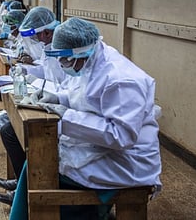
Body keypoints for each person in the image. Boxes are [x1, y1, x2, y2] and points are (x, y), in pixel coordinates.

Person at [12, 17, 162, 219]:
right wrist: (58, 97)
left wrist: (67, 117)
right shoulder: (90, 62)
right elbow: (79, 95)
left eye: (64, 58)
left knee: (47, 170)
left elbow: (121, 135)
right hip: (103, 150)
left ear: (81, 51)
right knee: (36, 163)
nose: (61, 63)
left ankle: (79, 212)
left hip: (125, 161)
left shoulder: (121, 79)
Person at [0, 7, 63, 206]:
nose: (38, 41)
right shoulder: (52, 44)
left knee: (22, 131)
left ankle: (27, 189)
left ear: (46, 32)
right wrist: (27, 70)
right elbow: (46, 68)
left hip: (61, 108)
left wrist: (41, 87)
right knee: (10, 128)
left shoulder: (61, 45)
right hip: (54, 99)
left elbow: (63, 84)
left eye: (39, 36)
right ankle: (22, 181)